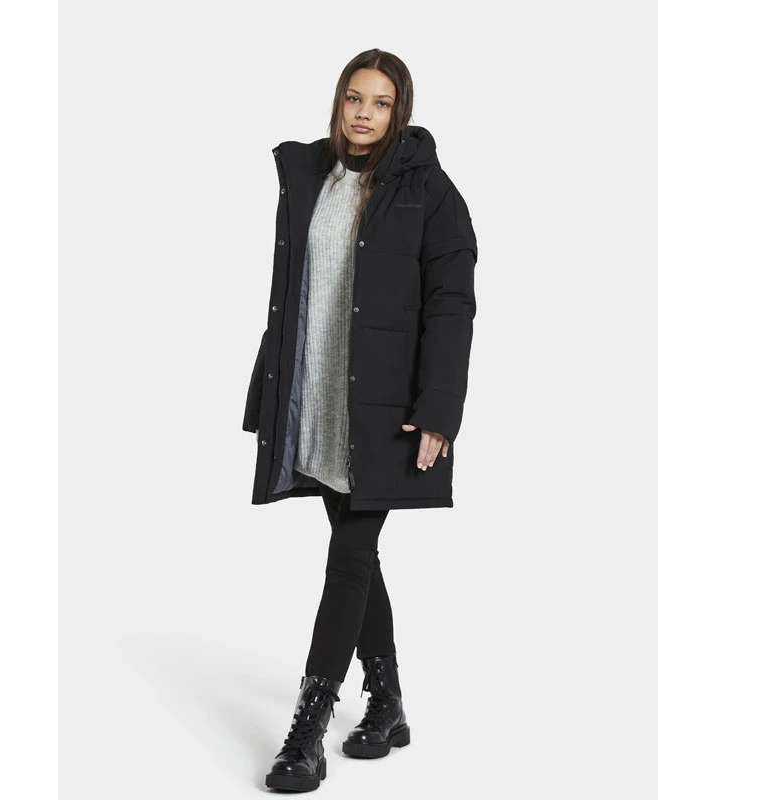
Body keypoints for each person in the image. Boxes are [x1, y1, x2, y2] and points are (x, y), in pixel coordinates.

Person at [243, 49, 478, 792]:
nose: (364, 113)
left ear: (399, 109)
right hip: (316, 397)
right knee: (358, 555)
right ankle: (387, 702)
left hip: (383, 412)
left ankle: (308, 731)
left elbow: (452, 304)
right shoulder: (312, 176)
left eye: (380, 101)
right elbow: (290, 294)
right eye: (354, 97)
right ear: (339, 102)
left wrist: (438, 411)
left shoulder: (428, 190)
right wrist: (266, 391)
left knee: (347, 558)